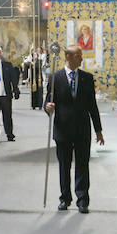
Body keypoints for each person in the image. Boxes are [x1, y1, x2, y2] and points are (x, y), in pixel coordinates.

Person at [44, 44, 104, 213]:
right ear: (68, 57)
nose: (82, 59)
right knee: (64, 166)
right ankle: (65, 198)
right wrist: (47, 107)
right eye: (78, 56)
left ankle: (82, 199)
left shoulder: (86, 78)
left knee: (82, 166)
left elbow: (93, 106)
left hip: (82, 129)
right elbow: (47, 101)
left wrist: (98, 130)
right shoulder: (55, 78)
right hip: (62, 130)